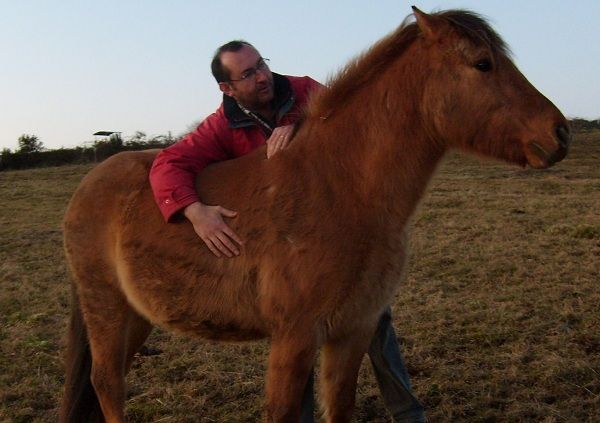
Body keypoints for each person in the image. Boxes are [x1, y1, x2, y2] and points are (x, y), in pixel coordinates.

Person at [149, 40, 425, 423]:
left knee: (376, 322)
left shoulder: (304, 90)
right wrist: (193, 211)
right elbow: (168, 163)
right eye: (248, 74)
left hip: (345, 233)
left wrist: (299, 124)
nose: (262, 76)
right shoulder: (222, 125)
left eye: (261, 64)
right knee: (297, 336)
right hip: (294, 249)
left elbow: (356, 117)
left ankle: (409, 414)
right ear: (227, 88)